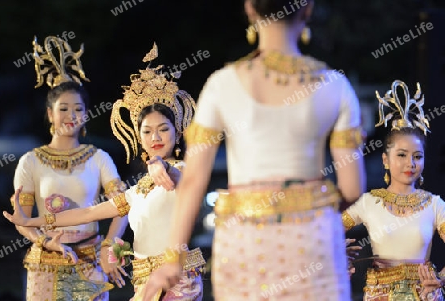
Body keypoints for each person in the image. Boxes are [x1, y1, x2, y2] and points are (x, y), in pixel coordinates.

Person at [130, 0, 366, 300]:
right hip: (313, 238)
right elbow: (353, 187)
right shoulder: (335, 86)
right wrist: (310, 212)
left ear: (251, 9)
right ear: (306, 9)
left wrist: (172, 260)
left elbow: (193, 182)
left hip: (244, 238)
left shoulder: (222, 85)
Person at [4, 43, 206, 301]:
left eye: (163, 129)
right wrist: (31, 222)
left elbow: (182, 180)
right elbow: (89, 212)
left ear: (177, 132)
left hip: (176, 279)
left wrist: (161, 165)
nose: (155, 136)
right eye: (146, 131)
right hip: (142, 283)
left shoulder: (178, 171)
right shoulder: (137, 191)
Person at [9, 35, 129, 301]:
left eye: (78, 108)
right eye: (63, 108)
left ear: (86, 114)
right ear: (50, 114)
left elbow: (123, 207)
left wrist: (110, 246)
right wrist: (43, 240)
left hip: (91, 261)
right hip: (46, 261)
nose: (71, 115)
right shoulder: (31, 161)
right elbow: (22, 217)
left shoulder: (99, 158)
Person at [342, 79, 445, 300]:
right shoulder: (369, 202)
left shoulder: (435, 204)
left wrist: (441, 279)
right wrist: (337, 254)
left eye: (417, 157)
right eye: (402, 155)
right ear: (385, 160)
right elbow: (326, 230)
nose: (411, 163)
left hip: (425, 295)